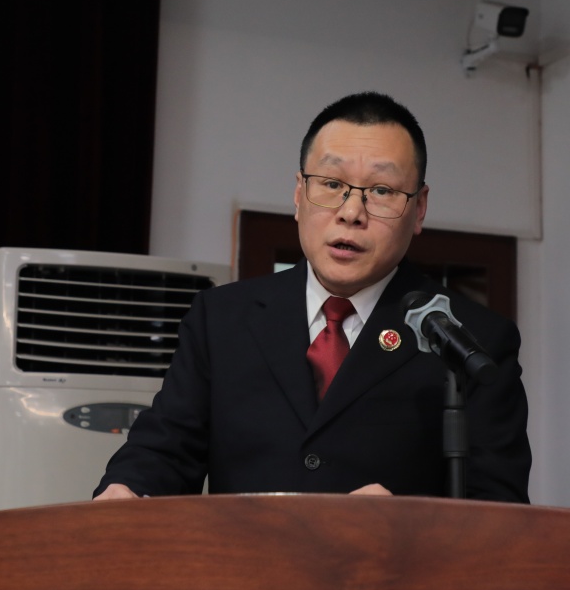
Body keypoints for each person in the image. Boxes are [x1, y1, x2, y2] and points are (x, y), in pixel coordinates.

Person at [93, 92, 530, 501]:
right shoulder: (222, 319)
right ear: (299, 194)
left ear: (419, 209)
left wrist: (407, 530)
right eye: (331, 184)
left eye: (382, 191)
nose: (351, 212)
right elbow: (165, 448)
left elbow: (500, 512)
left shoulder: (471, 340)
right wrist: (126, 489)